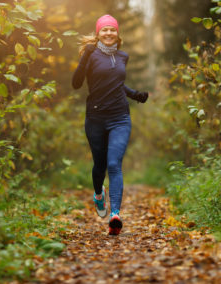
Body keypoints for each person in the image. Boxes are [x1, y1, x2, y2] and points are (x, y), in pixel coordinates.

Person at [72, 14, 149, 235]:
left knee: (114, 164)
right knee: (99, 166)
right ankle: (98, 194)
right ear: (98, 34)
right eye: (104, 30)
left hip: (119, 117)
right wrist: (84, 58)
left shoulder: (123, 56)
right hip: (95, 118)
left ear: (118, 33)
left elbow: (117, 84)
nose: (108, 33)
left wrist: (135, 95)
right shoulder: (91, 54)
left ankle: (115, 214)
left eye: (112, 29)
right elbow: (76, 84)